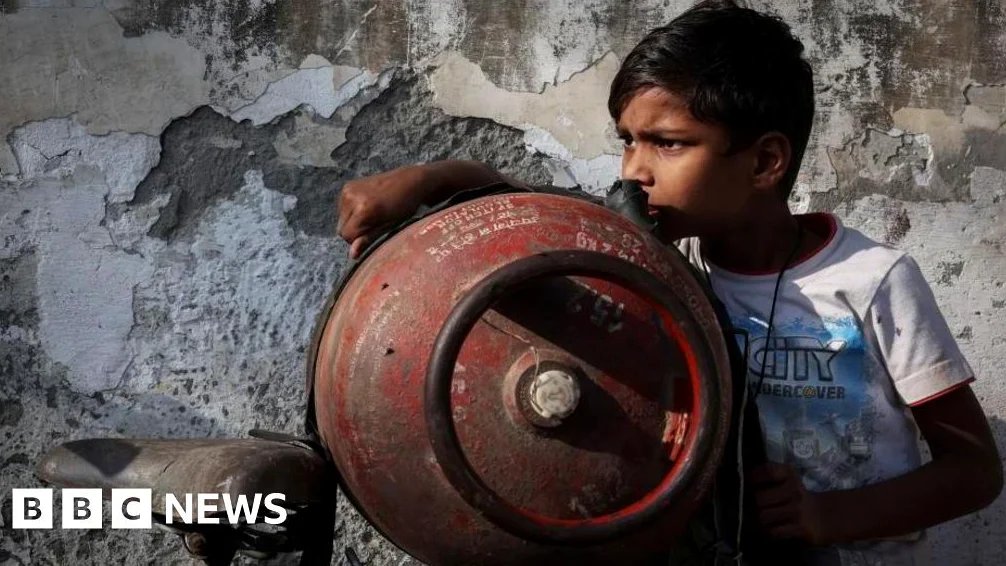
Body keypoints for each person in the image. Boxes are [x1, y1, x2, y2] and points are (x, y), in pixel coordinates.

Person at [334, 1, 1003, 564]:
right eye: (627, 140)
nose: (635, 170)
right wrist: (437, 178)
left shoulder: (871, 281)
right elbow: (546, 227)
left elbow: (974, 471)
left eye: (668, 143)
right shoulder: (647, 267)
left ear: (766, 160)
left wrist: (828, 517)